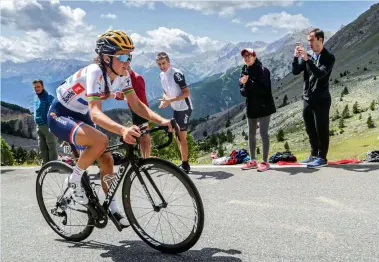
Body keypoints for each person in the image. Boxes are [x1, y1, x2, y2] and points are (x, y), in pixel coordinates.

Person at [47, 30, 175, 226]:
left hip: (80, 115)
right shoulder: (95, 72)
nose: (128, 61)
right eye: (123, 56)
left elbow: (137, 105)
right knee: (101, 141)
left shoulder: (123, 75)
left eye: (130, 56)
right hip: (60, 114)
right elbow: (96, 113)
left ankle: (112, 208)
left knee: (106, 159)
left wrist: (162, 121)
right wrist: (123, 130)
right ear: (106, 58)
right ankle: (73, 180)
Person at [292, 28, 335, 168]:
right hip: (308, 98)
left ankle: (322, 158)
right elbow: (295, 71)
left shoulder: (329, 57)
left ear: (320, 40)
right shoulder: (309, 56)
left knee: (321, 128)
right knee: (310, 128)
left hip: (321, 99)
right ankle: (314, 154)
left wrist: (307, 60)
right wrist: (296, 57)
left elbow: (320, 74)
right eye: (308, 40)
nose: (309, 43)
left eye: (311, 40)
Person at [239, 48, 276, 172]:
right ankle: (253, 160)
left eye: (249, 55)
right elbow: (243, 92)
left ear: (254, 56)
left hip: (264, 105)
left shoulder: (263, 70)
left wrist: (248, 82)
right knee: (251, 133)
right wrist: (244, 85)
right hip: (251, 106)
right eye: (244, 56)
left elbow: (264, 90)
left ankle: (265, 162)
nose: (246, 58)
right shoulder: (244, 70)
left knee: (263, 133)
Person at [156, 52, 192, 173]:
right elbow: (165, 91)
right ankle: (183, 161)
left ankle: (185, 165)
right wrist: (164, 100)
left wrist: (170, 100)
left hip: (184, 107)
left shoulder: (177, 74)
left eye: (164, 63)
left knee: (181, 137)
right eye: (159, 64)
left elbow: (187, 93)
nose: (162, 66)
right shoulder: (162, 75)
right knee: (177, 137)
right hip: (176, 107)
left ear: (169, 62)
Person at [125, 65, 151, 158]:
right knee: (140, 135)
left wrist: (142, 112)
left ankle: (146, 157)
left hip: (140, 110)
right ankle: (143, 156)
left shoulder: (137, 78)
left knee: (145, 135)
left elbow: (141, 98)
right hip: (134, 109)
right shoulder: (127, 79)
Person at [33, 79, 58, 172]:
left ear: (42, 86)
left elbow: (53, 111)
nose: (37, 89)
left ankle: (54, 166)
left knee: (51, 145)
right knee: (42, 147)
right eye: (35, 87)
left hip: (47, 125)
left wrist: (52, 124)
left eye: (38, 86)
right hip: (39, 125)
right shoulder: (36, 98)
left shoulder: (49, 97)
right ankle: (45, 166)